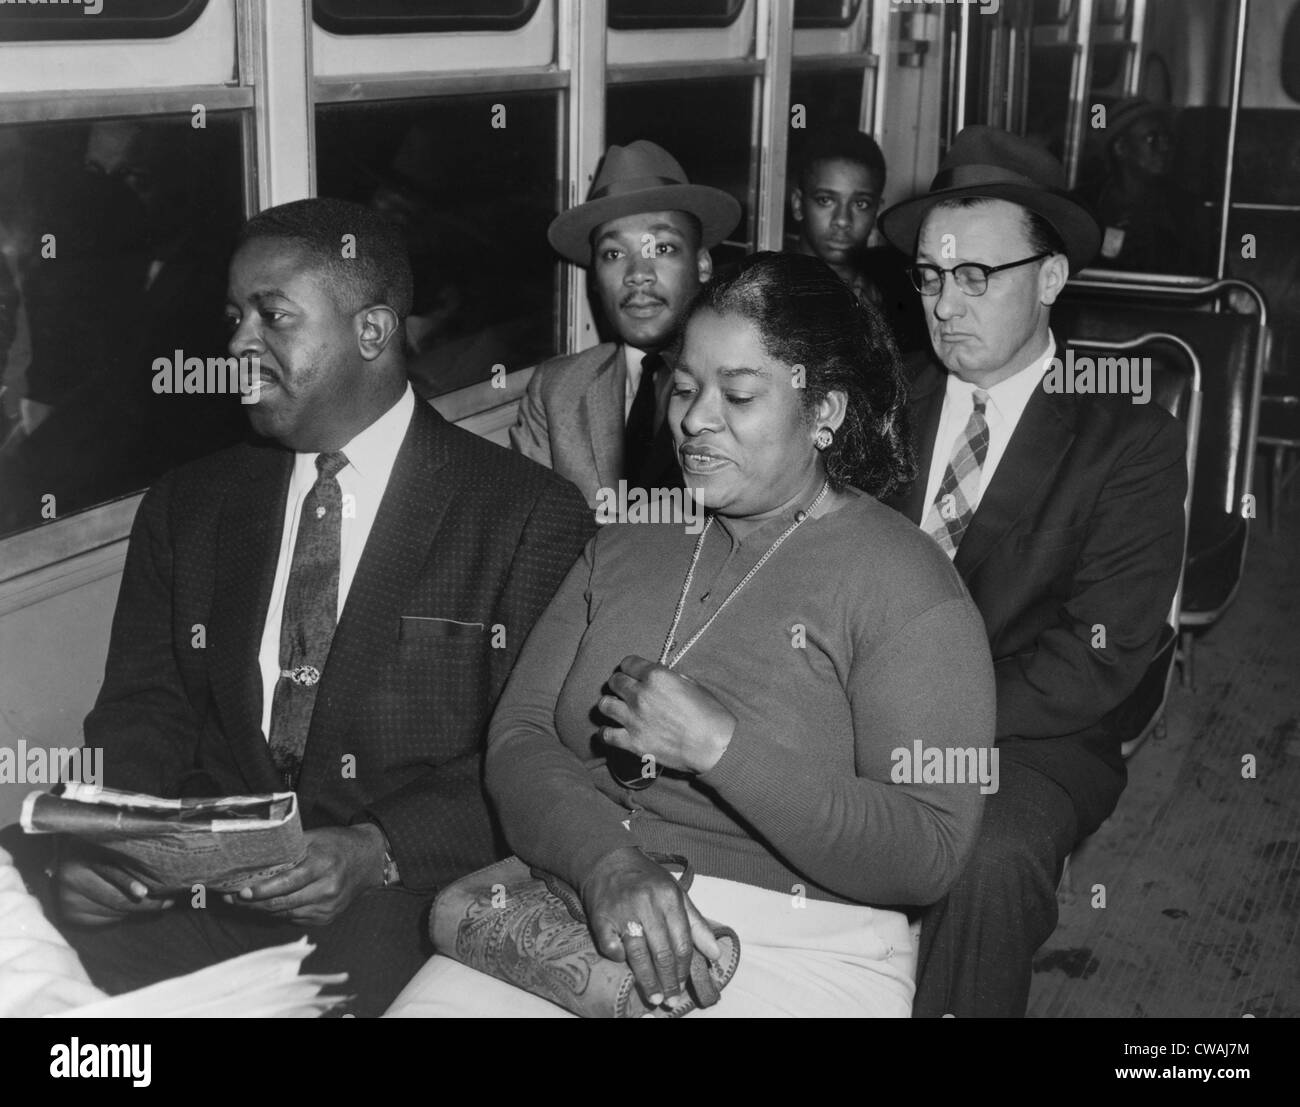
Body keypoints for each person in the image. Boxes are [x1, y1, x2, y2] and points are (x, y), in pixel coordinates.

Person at [387, 251, 996, 1018]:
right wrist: (605, 861)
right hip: (580, 895)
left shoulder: (908, 586)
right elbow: (520, 734)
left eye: (738, 395)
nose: (695, 419)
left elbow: (929, 852)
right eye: (683, 388)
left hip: (801, 940)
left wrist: (722, 748)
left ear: (827, 412)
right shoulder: (631, 535)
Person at [32, 198, 593, 1017]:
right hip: (193, 895)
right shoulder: (190, 505)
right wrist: (105, 851)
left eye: (272, 316)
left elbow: (534, 753)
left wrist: (376, 850)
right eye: (234, 315)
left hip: (396, 898)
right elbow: (143, 710)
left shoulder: (524, 514)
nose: (235, 346)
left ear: (372, 332)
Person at [877, 125, 1187, 1017]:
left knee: (987, 856)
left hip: (1032, 734)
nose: (945, 304)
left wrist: (915, 734)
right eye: (932, 277)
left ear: (1051, 279)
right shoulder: (882, 400)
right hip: (855, 697)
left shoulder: (1127, 436)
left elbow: (1098, 656)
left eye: (978, 276)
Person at [509, 140, 741, 506]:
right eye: (614, 254)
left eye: (662, 248)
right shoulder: (557, 390)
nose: (637, 274)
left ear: (702, 265)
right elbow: (528, 528)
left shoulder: (750, 384)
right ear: (595, 278)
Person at [1085, 98, 1209, 274]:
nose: (1165, 147)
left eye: (1167, 138)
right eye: (1152, 138)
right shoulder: (1085, 205)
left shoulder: (1188, 210)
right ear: (1121, 148)